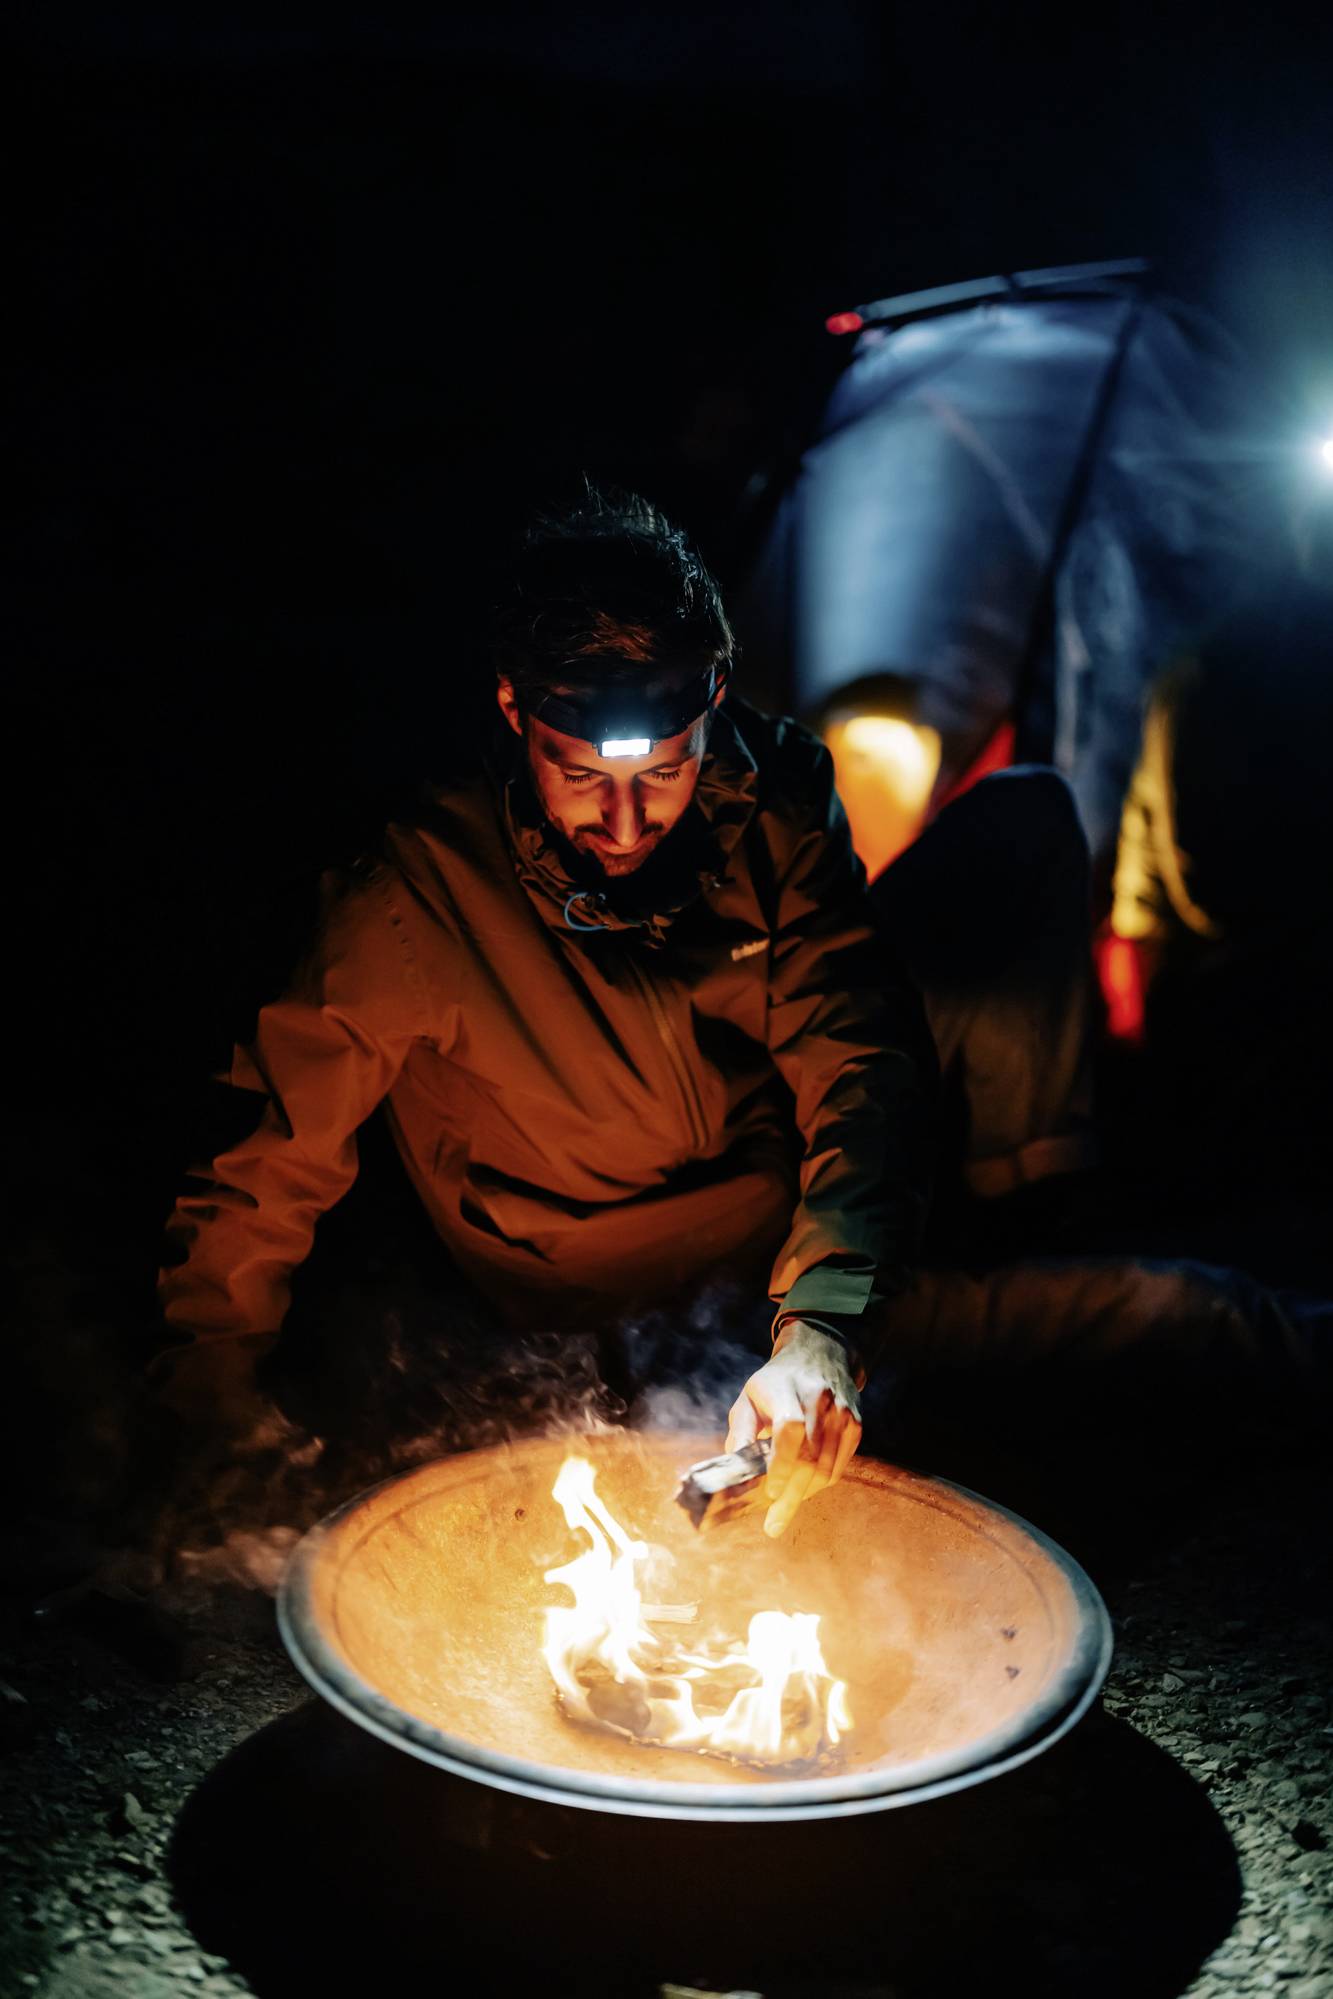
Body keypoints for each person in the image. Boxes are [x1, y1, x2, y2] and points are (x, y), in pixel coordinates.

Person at [151, 488, 1098, 1538]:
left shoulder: (778, 797)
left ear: (716, 700)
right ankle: (972, 1299)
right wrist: (207, 1380)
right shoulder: (418, 887)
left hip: (772, 1227)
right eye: (577, 775)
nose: (625, 818)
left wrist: (821, 1328)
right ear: (515, 710)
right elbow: (268, 1145)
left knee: (1024, 818)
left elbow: (862, 1055)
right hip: (592, 1268)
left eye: (664, 771)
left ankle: (1006, 1218)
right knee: (1180, 1318)